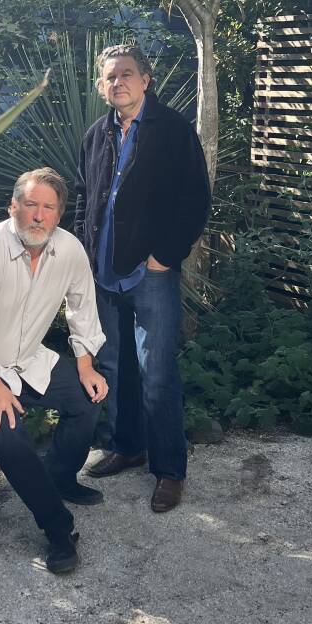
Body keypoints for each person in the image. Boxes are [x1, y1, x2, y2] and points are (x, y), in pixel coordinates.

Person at [0, 167, 108, 574]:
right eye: (30, 205)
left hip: (24, 357)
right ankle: (59, 530)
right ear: (13, 206)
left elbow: (82, 306)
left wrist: (85, 364)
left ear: (58, 215)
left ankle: (59, 478)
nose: (38, 216)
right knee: (7, 430)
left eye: (48, 208)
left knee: (87, 399)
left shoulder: (69, 250)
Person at [75, 44, 211, 512]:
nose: (119, 83)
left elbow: (194, 200)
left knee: (156, 373)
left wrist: (163, 258)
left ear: (146, 79)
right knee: (115, 368)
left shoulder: (173, 131)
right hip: (105, 274)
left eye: (127, 74)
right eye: (110, 77)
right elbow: (84, 200)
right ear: (101, 86)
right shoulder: (96, 135)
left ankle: (169, 470)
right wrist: (84, 259)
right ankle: (126, 445)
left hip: (150, 273)